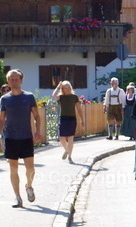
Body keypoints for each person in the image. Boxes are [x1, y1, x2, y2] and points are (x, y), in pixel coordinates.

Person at [0, 69, 45, 207]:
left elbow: (37, 116)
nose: (14, 82)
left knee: (30, 169)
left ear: (21, 80)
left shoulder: (29, 96)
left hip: (26, 137)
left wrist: (37, 131)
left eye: (16, 79)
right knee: (13, 168)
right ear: (8, 81)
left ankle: (29, 186)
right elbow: (1, 119)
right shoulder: (4, 99)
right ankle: (18, 197)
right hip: (10, 138)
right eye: (11, 79)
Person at [51, 81, 84, 164]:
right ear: (63, 89)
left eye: (68, 87)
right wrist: (58, 86)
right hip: (63, 118)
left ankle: (69, 157)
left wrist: (82, 120)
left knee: (70, 138)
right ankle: (67, 150)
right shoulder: (61, 97)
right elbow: (54, 95)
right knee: (62, 138)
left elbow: (79, 109)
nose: (67, 89)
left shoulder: (74, 97)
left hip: (72, 119)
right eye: (65, 88)